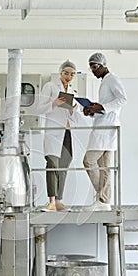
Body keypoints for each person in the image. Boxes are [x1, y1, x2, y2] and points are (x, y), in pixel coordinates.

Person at [83, 52, 127, 211]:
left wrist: (102, 107)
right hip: (104, 126)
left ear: (102, 65)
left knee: (89, 161)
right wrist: (92, 110)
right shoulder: (105, 81)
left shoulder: (112, 79)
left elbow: (123, 99)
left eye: (95, 67)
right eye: (91, 68)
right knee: (104, 166)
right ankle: (104, 200)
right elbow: (105, 106)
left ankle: (102, 197)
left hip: (107, 128)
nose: (93, 71)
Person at [38, 60, 79, 212]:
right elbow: (39, 108)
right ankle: (51, 201)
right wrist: (53, 103)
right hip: (53, 132)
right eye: (66, 73)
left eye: (72, 74)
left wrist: (72, 110)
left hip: (67, 133)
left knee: (64, 166)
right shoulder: (50, 86)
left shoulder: (74, 92)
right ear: (60, 72)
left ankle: (59, 201)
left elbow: (76, 118)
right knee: (52, 165)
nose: (69, 77)